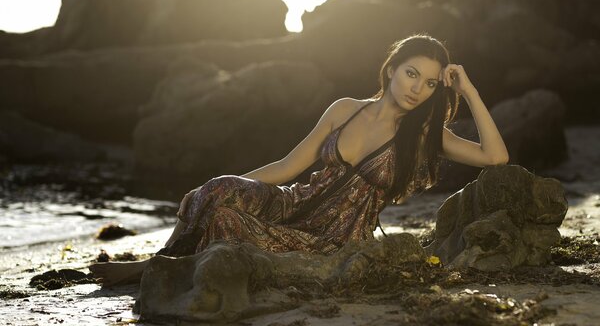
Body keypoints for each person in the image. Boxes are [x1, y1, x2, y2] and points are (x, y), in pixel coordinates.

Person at [89, 33, 508, 286]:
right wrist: (224, 189)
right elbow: (291, 166)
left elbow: (495, 156)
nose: (417, 89)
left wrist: (467, 90)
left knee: (225, 224)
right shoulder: (346, 108)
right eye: (412, 73)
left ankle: (149, 271)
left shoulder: (422, 138)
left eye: (431, 83)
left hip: (333, 237)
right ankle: (158, 263)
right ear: (393, 68)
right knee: (216, 190)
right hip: (293, 202)